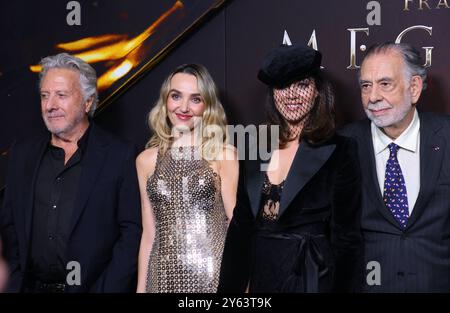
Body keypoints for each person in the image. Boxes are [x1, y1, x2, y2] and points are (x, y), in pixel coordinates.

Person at [218, 44, 362, 293]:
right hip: (263, 276)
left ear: (317, 91)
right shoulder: (255, 147)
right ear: (273, 93)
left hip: (312, 278)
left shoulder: (340, 149)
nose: (291, 95)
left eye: (302, 85)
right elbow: (240, 229)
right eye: (282, 86)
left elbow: (346, 239)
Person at [0, 53, 142, 292]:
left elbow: (131, 234)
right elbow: (10, 226)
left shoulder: (120, 155)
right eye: (45, 96)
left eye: (61, 95)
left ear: (87, 102)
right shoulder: (22, 154)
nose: (50, 105)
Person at [341, 42, 450, 292]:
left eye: (385, 84)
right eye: (366, 86)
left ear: (414, 88)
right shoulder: (343, 145)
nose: (373, 97)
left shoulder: (447, 137)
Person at [136, 64, 238, 293]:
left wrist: (242, 285)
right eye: (176, 96)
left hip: (213, 277)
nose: (183, 107)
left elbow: (235, 224)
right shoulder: (145, 161)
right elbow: (149, 233)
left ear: (207, 106)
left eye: (195, 99)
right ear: (165, 101)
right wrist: (141, 290)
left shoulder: (223, 154)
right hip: (161, 278)